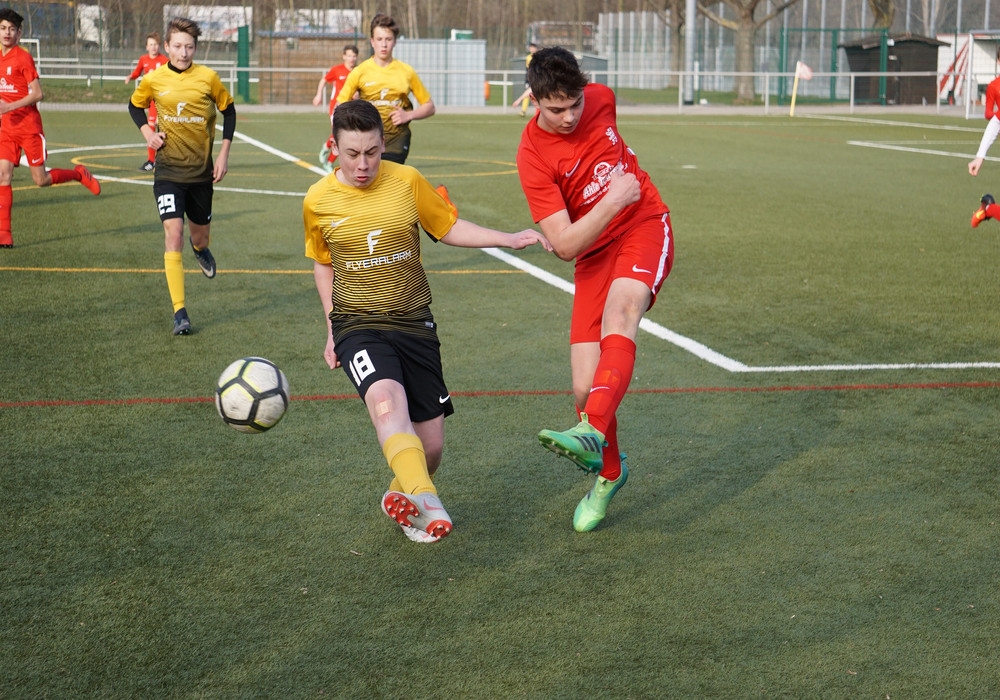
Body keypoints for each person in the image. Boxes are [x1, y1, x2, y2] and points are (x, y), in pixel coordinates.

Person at [304, 100, 550, 543]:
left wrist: (508, 238)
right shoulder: (317, 201)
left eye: (372, 152)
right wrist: (330, 327)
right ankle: (426, 497)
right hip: (357, 324)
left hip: (414, 323)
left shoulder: (407, 181)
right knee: (386, 403)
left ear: (383, 144)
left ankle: (403, 495)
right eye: (352, 154)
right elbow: (323, 263)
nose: (363, 164)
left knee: (430, 447)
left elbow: (448, 227)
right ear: (334, 148)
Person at [516, 47, 674, 533]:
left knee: (620, 315)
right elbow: (564, 245)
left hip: (644, 224)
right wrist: (612, 199)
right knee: (585, 390)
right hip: (590, 252)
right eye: (555, 108)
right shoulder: (532, 156)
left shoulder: (602, 97)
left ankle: (589, 432)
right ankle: (610, 473)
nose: (568, 116)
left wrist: (627, 197)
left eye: (575, 104)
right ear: (534, 101)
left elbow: (603, 115)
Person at [128, 16, 235, 335]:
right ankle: (180, 313)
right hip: (168, 172)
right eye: (177, 46)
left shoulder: (208, 78)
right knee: (173, 233)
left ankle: (200, 250)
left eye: (189, 47)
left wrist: (224, 154)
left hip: (201, 174)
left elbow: (229, 111)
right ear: (167, 47)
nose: (183, 53)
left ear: (195, 48)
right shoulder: (154, 79)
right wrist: (148, 133)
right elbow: (134, 106)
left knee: (199, 237)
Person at [0, 8, 100, 249]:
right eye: (3, 28)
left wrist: (9, 106)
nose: (7, 33)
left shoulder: (23, 58)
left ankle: (78, 174)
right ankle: (4, 234)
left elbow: (38, 94)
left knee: (41, 179)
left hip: (29, 127)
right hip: (7, 128)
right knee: (2, 175)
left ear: (19, 33)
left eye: (12, 29)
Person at [336, 14, 435, 164]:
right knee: (369, 177)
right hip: (367, 140)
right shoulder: (359, 72)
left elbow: (429, 106)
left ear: (395, 41)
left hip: (396, 141)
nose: (383, 45)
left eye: (388, 39)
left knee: (389, 176)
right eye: (379, 39)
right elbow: (340, 106)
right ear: (372, 41)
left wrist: (408, 115)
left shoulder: (406, 72)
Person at [124, 32, 169, 172]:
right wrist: (130, 77)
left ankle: (163, 161)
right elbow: (137, 72)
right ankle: (151, 161)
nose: (153, 47)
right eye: (151, 44)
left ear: (159, 46)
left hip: (162, 100)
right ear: (146, 47)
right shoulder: (143, 59)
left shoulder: (165, 60)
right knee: (151, 130)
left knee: (163, 130)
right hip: (150, 101)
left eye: (155, 44)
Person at [314, 44, 358, 173]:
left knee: (344, 135)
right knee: (340, 135)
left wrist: (358, 95)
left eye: (354, 56)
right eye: (349, 56)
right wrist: (318, 95)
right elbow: (323, 80)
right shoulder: (337, 70)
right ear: (344, 56)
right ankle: (329, 162)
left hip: (351, 109)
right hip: (337, 108)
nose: (351, 58)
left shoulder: (358, 71)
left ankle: (326, 147)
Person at [969, 47, 1000, 228]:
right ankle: (988, 209)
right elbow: (995, 120)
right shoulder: (995, 86)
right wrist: (980, 156)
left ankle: (989, 209)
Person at [511, 43, 540, 117]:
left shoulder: (539, 57)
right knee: (529, 93)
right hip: (531, 79)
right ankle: (524, 110)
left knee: (538, 96)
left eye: (533, 48)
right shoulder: (528, 57)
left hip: (537, 79)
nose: (532, 49)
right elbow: (529, 70)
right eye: (531, 48)